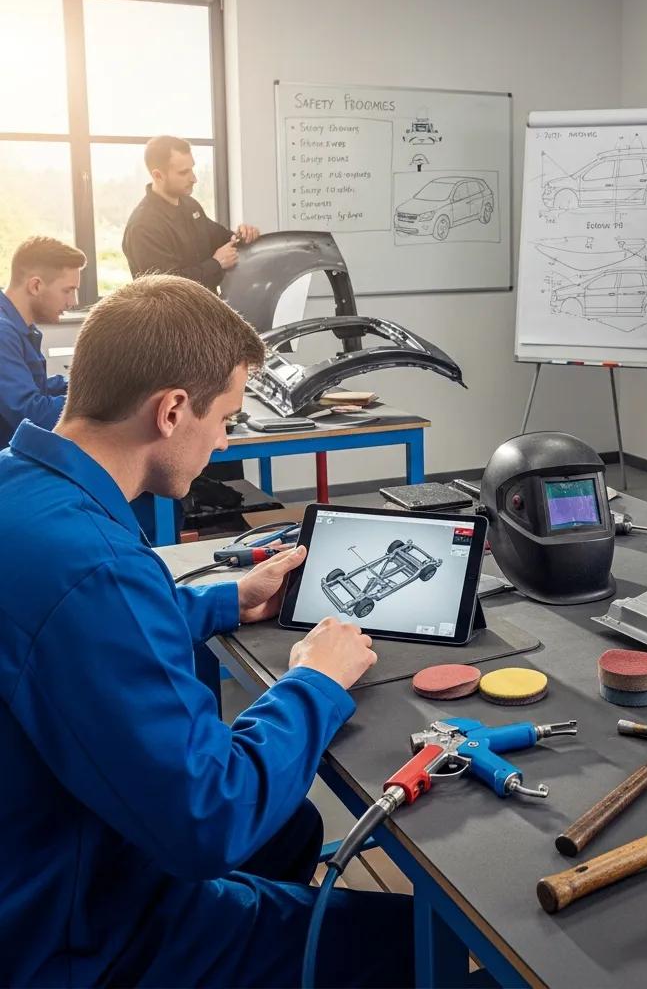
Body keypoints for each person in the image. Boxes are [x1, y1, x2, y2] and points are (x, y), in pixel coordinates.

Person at [0, 275, 414, 987]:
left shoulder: (22, 486)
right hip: (76, 938)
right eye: (225, 419)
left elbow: (67, 637)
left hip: (39, 860)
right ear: (171, 411)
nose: (224, 442)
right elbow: (210, 818)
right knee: (410, 943)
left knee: (290, 829)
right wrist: (315, 679)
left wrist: (226, 600)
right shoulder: (95, 567)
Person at [122, 134, 260, 291]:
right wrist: (217, 264)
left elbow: (220, 238)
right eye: (183, 172)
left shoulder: (190, 205)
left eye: (192, 169)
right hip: (171, 315)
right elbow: (167, 288)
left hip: (206, 310)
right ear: (158, 175)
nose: (194, 178)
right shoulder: (143, 226)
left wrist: (242, 236)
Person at [0, 236, 86, 449]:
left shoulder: (21, 326)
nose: (73, 302)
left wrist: (87, 382)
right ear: (36, 286)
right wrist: (99, 399)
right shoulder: (2, 332)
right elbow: (31, 414)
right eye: (68, 290)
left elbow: (37, 388)